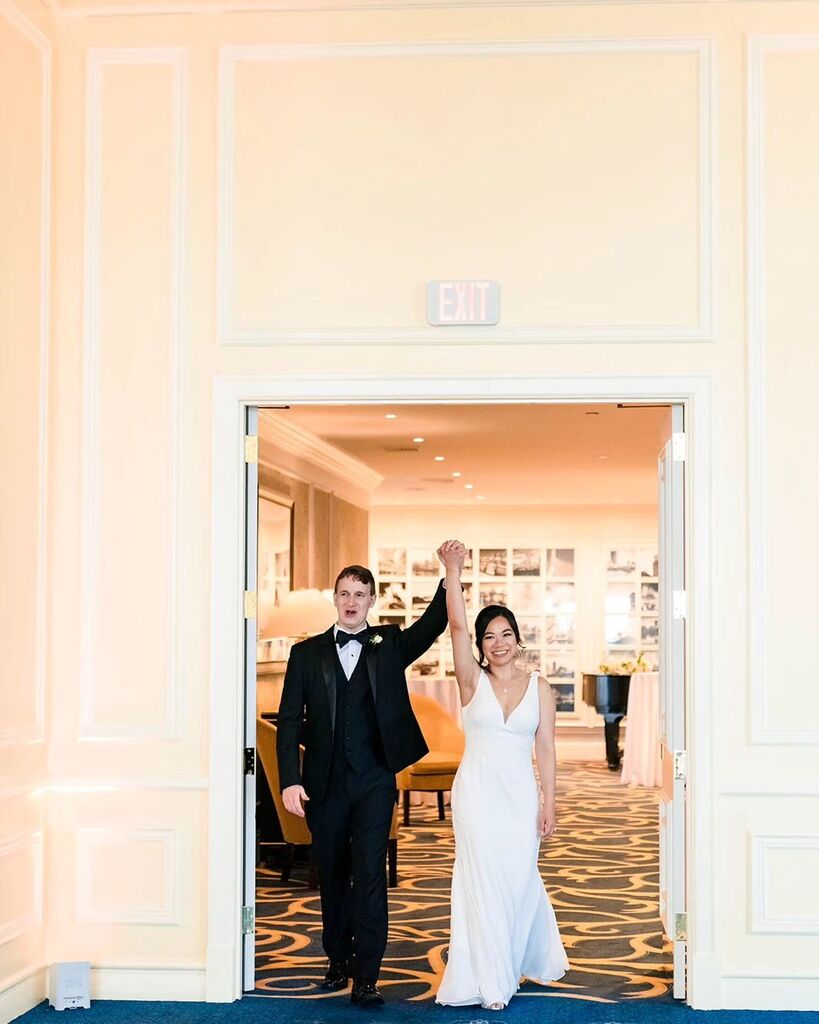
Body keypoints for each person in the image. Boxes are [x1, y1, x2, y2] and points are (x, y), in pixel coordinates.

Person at [276, 551, 454, 1007]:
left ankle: (368, 976)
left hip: (375, 780)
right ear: (335, 599)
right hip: (325, 785)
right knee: (333, 874)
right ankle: (338, 959)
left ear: (372, 600)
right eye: (345, 594)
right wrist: (290, 780)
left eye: (360, 594)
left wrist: (449, 575)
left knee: (371, 874)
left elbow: (432, 624)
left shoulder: (388, 644)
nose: (352, 601)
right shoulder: (306, 653)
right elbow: (290, 721)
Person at [435, 540, 569, 1010]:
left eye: (506, 633)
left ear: (517, 638)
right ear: (480, 645)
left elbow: (546, 748)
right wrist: (453, 570)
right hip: (477, 794)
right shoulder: (471, 680)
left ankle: (509, 964)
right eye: (489, 636)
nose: (498, 643)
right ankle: (491, 981)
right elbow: (456, 625)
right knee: (483, 880)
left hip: (520, 798)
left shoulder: (540, 688)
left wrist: (550, 802)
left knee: (516, 879)